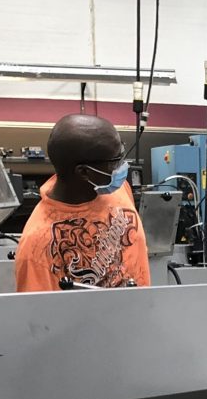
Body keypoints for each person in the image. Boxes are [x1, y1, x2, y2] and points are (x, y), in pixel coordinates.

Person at [14, 113, 150, 292]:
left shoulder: (118, 189)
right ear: (84, 172)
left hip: (144, 307)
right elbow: (38, 309)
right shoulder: (37, 245)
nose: (122, 166)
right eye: (115, 161)